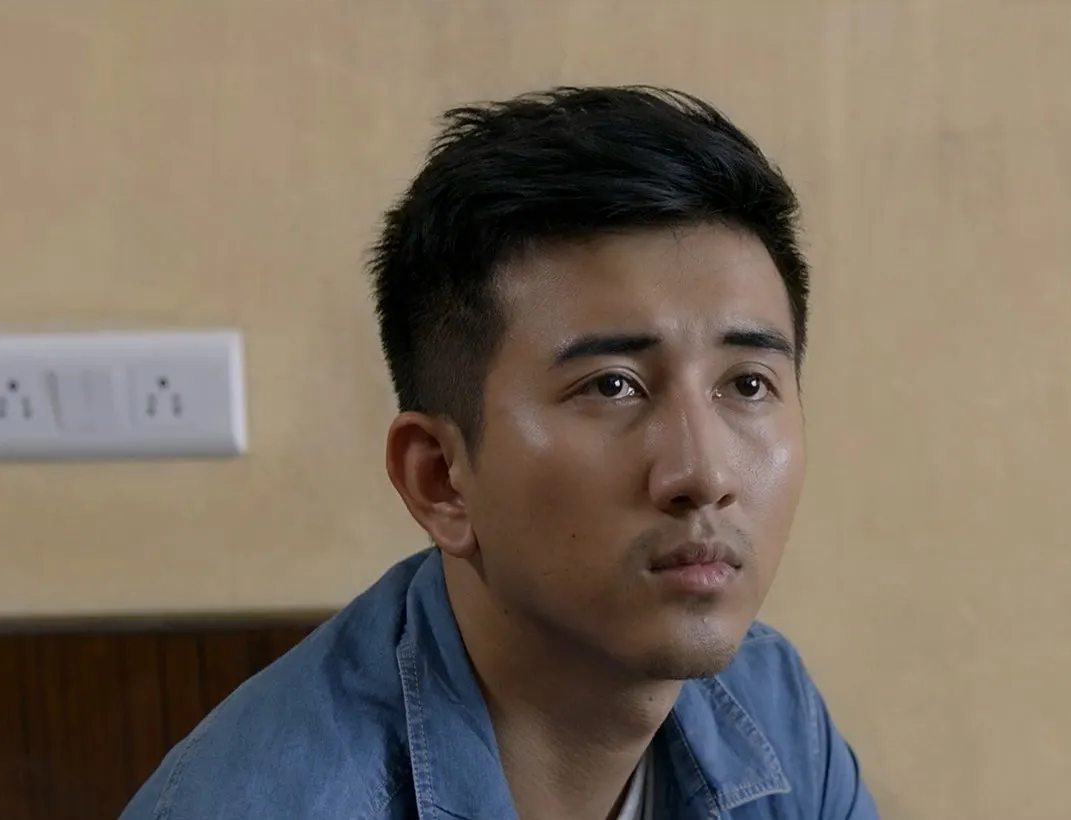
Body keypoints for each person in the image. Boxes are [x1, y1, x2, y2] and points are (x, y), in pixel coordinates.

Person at [119, 85, 877, 820]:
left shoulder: (769, 707)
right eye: (612, 386)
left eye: (747, 383)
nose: (704, 474)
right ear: (440, 480)